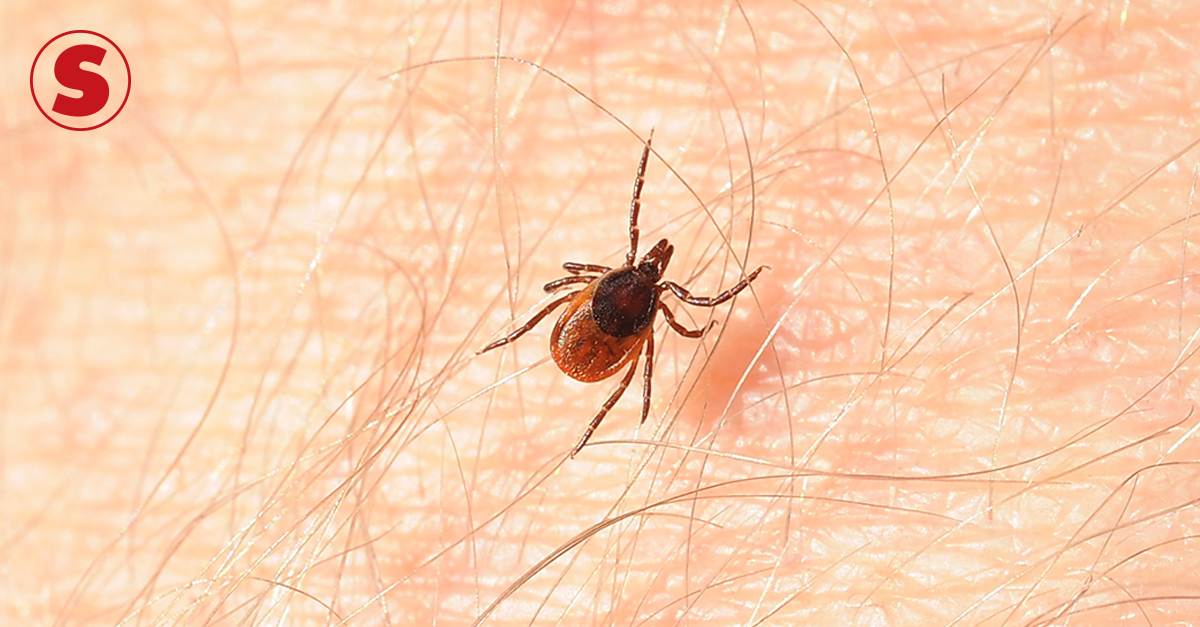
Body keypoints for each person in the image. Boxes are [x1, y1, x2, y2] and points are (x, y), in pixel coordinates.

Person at [5, 1, 1197, 624]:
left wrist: (644, 310)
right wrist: (677, 316)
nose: (641, 283)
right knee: (575, 343)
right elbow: (666, 329)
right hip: (597, 361)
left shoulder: (616, 301)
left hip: (590, 356)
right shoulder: (635, 312)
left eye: (636, 282)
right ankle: (581, 406)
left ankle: (576, 401)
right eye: (636, 279)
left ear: (620, 291)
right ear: (625, 289)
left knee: (554, 331)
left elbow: (638, 322)